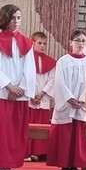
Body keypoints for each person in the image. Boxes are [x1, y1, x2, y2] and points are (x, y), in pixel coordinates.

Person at [0, 4, 36, 170]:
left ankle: (6, 165)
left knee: (14, 131)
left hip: (19, 95)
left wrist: (21, 88)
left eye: (19, 18)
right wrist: (9, 86)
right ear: (5, 18)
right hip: (1, 93)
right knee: (1, 129)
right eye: (13, 18)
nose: (16, 21)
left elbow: (30, 69)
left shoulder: (26, 43)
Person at [46, 30, 86, 170]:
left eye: (83, 41)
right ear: (70, 42)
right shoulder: (63, 61)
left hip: (82, 104)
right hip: (67, 104)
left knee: (78, 137)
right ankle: (65, 167)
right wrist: (70, 99)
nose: (80, 43)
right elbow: (59, 83)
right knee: (66, 136)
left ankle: (75, 166)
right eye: (77, 40)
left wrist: (83, 99)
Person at [25, 31, 56, 162]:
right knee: (27, 125)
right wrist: (31, 94)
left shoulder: (51, 62)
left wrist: (42, 94)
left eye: (44, 43)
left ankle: (38, 152)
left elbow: (52, 80)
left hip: (42, 98)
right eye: (39, 43)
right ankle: (26, 151)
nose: (42, 46)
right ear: (32, 43)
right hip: (29, 97)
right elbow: (25, 78)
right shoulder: (26, 60)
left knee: (40, 125)